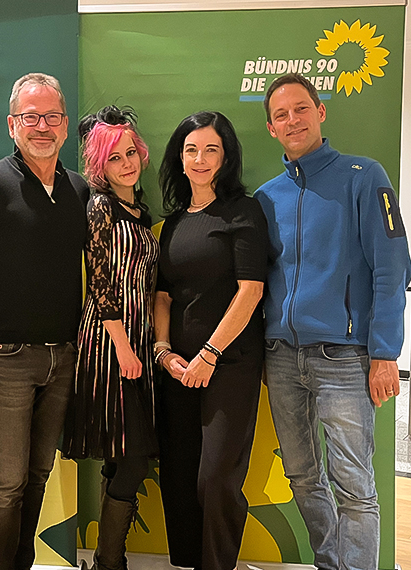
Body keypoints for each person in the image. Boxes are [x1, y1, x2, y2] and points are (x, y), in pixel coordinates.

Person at [255, 73, 411, 570]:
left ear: (320, 112)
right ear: (271, 128)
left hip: (344, 358)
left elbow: (392, 267)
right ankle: (330, 563)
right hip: (281, 358)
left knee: (354, 485)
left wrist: (384, 352)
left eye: (301, 108)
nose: (292, 120)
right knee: (302, 477)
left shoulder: (364, 176)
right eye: (281, 115)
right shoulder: (266, 197)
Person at [0, 73, 89, 570]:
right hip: (5, 357)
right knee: (7, 481)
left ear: (65, 126)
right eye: (31, 117)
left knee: (38, 473)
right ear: (13, 125)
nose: (41, 126)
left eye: (51, 117)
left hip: (62, 357)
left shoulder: (78, 190)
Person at [153, 111, 268, 570]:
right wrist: (163, 351)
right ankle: (186, 563)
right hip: (177, 369)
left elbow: (250, 290)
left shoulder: (244, 211)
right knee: (179, 476)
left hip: (229, 364)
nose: (200, 159)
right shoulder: (175, 222)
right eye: (191, 150)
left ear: (226, 157)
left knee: (216, 480)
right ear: (180, 159)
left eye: (211, 150)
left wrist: (210, 353)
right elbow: (163, 295)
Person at [61, 106, 159, 570]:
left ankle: (106, 560)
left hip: (138, 338)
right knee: (133, 455)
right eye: (114, 158)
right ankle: (109, 561)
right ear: (100, 165)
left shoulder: (141, 212)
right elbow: (100, 282)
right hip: (109, 341)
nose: (126, 164)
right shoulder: (101, 207)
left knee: (123, 455)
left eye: (130, 153)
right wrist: (122, 347)